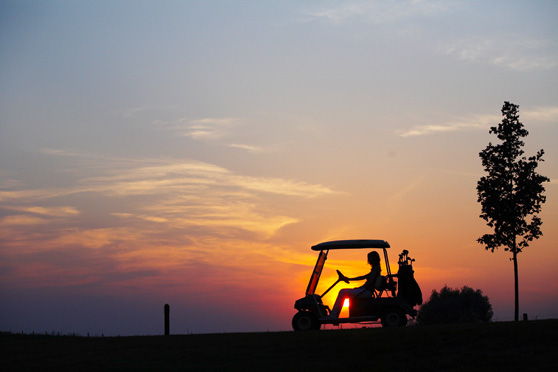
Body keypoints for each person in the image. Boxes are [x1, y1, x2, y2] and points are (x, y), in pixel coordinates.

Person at [327, 251, 382, 319]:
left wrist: (360, 288)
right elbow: (362, 277)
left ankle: (334, 315)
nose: (368, 260)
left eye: (370, 258)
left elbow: (369, 283)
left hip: (367, 292)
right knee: (345, 292)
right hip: (366, 291)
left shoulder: (375, 269)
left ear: (374, 258)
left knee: (342, 292)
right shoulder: (375, 269)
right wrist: (349, 279)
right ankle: (334, 315)